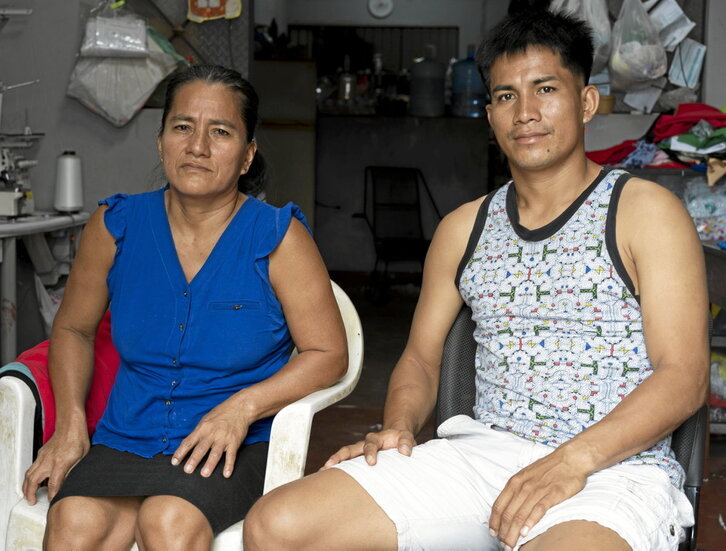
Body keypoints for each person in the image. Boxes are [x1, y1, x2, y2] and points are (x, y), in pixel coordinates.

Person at [243, 9, 709, 551]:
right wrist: (397, 425)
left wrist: (570, 461)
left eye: (545, 89)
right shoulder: (463, 228)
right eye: (506, 96)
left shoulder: (645, 212)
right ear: (489, 115)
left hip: (611, 470)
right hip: (480, 458)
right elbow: (420, 358)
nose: (526, 112)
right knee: (277, 526)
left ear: (586, 103)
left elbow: (685, 376)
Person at [22, 64, 348, 550]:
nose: (197, 146)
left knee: (168, 520)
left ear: (246, 155)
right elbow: (73, 329)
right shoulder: (116, 226)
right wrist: (70, 426)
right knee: (73, 524)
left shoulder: (278, 237)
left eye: (220, 131)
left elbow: (328, 353)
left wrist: (241, 409)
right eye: (182, 127)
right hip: (126, 432)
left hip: (234, 443)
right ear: (160, 142)